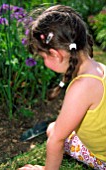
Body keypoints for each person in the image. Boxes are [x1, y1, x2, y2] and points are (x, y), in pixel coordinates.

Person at [18, 5, 106, 170]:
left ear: (55, 54)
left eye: (43, 56)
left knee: (54, 132)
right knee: (55, 127)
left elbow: (57, 140)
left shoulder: (81, 87)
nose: (44, 62)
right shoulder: (99, 68)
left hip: (103, 158)